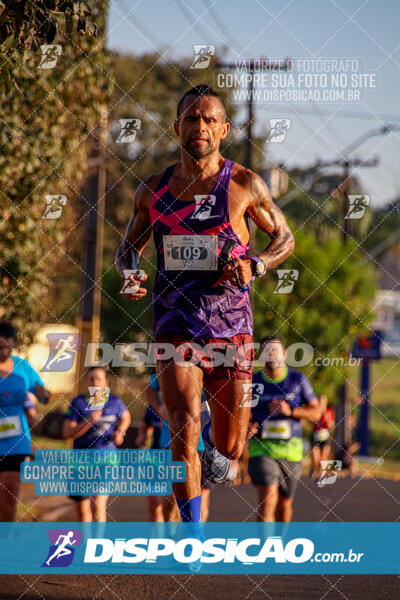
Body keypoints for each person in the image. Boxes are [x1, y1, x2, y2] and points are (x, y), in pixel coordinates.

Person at [115, 84, 294, 524]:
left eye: (209, 120)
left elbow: (284, 239)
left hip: (231, 327)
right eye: (191, 119)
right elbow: (126, 249)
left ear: (224, 129)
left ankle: (218, 452)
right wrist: (129, 273)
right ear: (177, 127)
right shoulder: (152, 191)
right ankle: (192, 532)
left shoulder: (243, 184)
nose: (200, 127)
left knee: (231, 445)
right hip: (174, 323)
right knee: (183, 424)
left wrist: (257, 266)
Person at [248, 335, 321, 522]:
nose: (271, 354)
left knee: (284, 504)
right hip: (261, 449)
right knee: (267, 499)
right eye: (266, 351)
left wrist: (292, 411)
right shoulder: (252, 382)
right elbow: (239, 414)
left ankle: (279, 544)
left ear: (285, 354)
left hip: (292, 452)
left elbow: (316, 412)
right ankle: (266, 549)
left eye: (275, 350)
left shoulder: (297, 379)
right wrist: (247, 426)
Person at [136, 371, 212, 522]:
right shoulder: (173, 363)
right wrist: (159, 408)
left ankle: (193, 541)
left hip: (203, 446)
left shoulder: (211, 364)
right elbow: (150, 388)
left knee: (200, 504)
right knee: (172, 499)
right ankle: (170, 537)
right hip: (172, 443)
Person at [63, 366, 131, 522]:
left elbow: (126, 417)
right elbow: (67, 432)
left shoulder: (115, 402)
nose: (95, 382)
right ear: (86, 382)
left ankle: (97, 544)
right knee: (82, 509)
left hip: (106, 459)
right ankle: (87, 545)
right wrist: (88, 422)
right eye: (91, 379)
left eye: (99, 379)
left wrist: (120, 431)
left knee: (98, 504)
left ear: (105, 382)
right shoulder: (78, 403)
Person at [0, 320, 51, 521]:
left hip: (16, 439)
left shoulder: (23, 367)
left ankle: (5, 541)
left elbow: (44, 395)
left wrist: (44, 393)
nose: (3, 351)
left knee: (10, 491)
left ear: (13, 343)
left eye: (7, 346)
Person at [310, 394, 335, 480]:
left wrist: (328, 422)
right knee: (315, 458)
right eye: (320, 401)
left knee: (323, 458)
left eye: (323, 401)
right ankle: (314, 469)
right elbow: (309, 422)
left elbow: (332, 425)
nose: (322, 403)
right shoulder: (315, 411)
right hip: (316, 435)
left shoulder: (329, 411)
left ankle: (320, 476)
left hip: (325, 436)